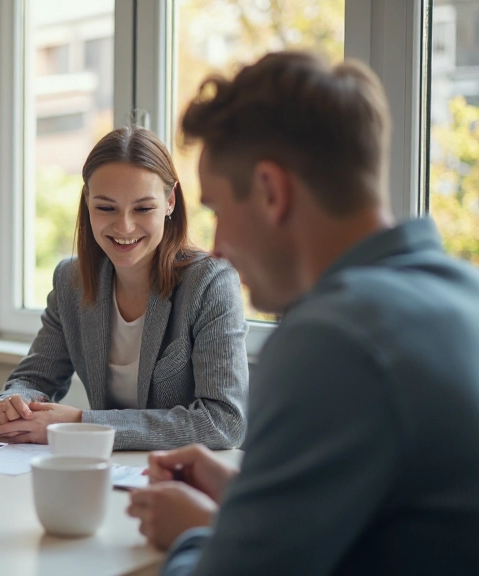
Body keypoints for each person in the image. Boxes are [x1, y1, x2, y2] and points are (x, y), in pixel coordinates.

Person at [127, 51, 479, 574]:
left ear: (272, 191)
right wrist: (249, 501)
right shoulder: (463, 293)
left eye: (218, 210)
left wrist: (199, 535)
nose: (217, 248)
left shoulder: (334, 340)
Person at [0, 126, 248, 450]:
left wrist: (83, 424)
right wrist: (8, 405)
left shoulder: (210, 283)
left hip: (182, 473)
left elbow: (223, 421)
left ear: (170, 201)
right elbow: (33, 378)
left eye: (143, 208)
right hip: (106, 469)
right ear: (87, 202)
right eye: (106, 208)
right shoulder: (70, 280)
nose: (124, 226)